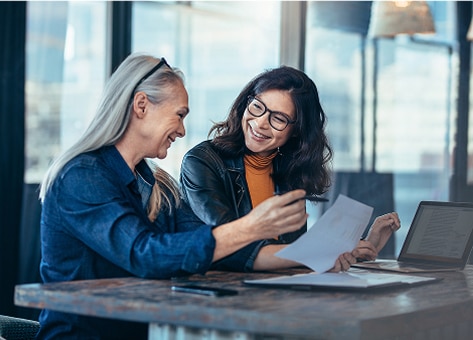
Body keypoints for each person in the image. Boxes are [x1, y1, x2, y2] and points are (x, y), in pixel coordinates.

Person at [35, 54, 329, 339]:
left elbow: (220, 247)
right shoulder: (82, 176)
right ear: (141, 106)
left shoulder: (155, 182)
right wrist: (250, 226)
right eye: (179, 115)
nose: (182, 130)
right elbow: (144, 254)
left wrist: (320, 255)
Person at [180, 66, 401, 272]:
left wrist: (358, 248)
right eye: (257, 107)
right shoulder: (202, 161)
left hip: (276, 292)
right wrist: (318, 254)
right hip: (221, 294)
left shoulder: (290, 171)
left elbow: (293, 253)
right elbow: (229, 244)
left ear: (296, 131)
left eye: (278, 118)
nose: (260, 123)